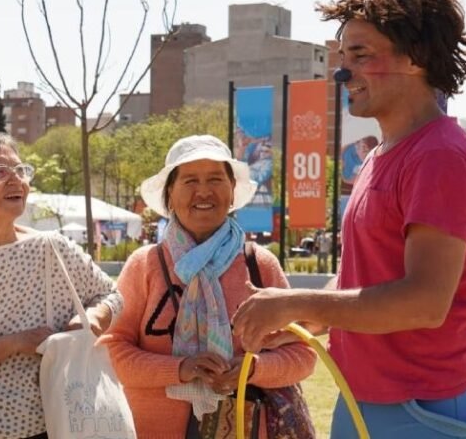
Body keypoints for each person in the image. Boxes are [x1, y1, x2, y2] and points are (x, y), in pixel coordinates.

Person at [233, 0, 466, 438]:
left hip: (421, 410)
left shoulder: (439, 156)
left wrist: (295, 303)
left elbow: (425, 302)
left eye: (360, 55)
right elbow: (364, 277)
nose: (341, 72)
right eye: (342, 57)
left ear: (415, 58)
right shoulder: (381, 155)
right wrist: (301, 322)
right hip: (368, 400)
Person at [103, 135, 316, 438]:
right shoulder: (145, 265)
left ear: (232, 192)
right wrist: (182, 368)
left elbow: (302, 355)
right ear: (169, 195)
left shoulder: (260, 265)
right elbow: (112, 352)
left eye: (216, 179)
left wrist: (251, 369)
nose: (203, 191)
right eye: (189, 181)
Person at [0, 132, 123, 439]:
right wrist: (17, 342)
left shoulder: (53, 249)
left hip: (64, 424)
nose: (17, 180)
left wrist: (93, 319)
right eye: (1, 173)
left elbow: (111, 295)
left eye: (21, 171)